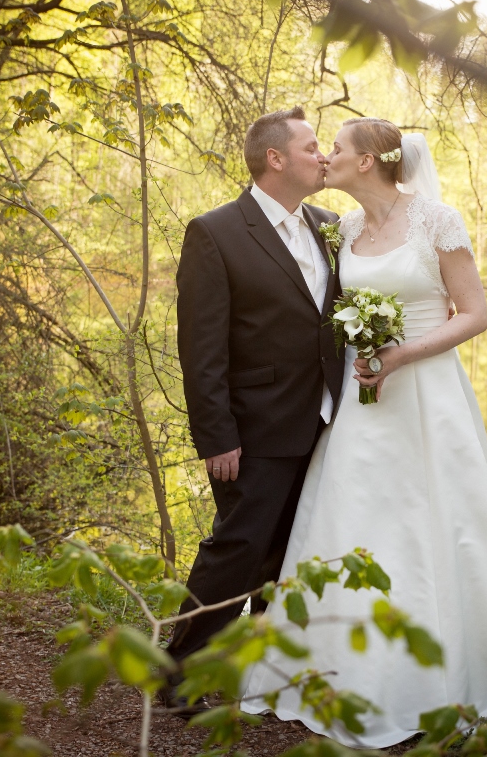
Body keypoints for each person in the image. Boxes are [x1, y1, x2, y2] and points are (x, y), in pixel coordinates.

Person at [239, 118, 487, 747]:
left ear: (370, 160)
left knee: (440, 520)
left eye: (337, 150)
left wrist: (404, 354)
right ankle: (339, 667)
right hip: (361, 401)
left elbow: (476, 315)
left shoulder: (438, 220)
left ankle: (454, 666)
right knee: (354, 518)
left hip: (428, 397)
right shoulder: (342, 228)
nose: (325, 158)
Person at [163, 106, 344, 714]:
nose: (323, 156)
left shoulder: (328, 223)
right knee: (235, 553)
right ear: (276, 158)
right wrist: (216, 436)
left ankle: (261, 676)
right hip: (256, 427)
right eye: (312, 146)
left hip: (327, 422)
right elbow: (202, 348)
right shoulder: (214, 232)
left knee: (291, 554)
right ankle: (179, 678)